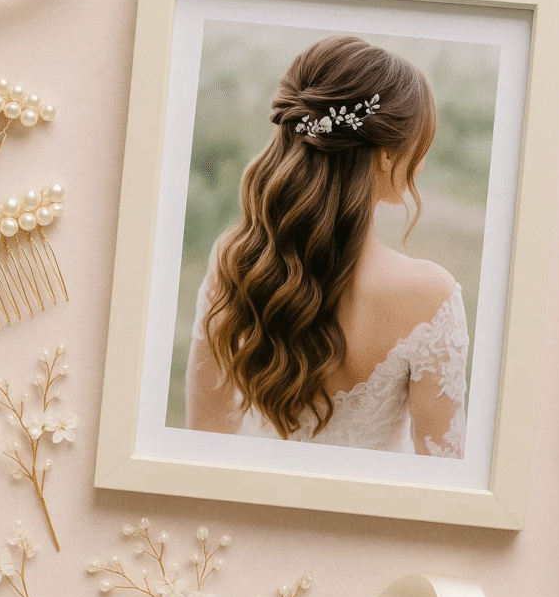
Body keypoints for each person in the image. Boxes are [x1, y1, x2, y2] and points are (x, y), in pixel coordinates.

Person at [185, 33, 469, 457]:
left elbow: (202, 437)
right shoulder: (431, 296)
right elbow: (441, 479)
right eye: (420, 143)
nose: (422, 161)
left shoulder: (234, 260)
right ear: (387, 157)